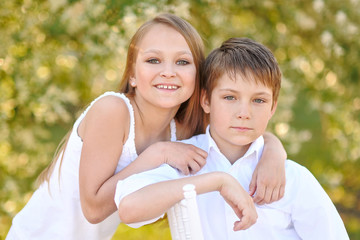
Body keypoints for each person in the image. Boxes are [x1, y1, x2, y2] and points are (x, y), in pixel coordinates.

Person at [6, 14, 287, 240]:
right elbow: (93, 209)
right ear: (132, 74)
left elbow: (240, 127)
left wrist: (274, 153)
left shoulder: (183, 129)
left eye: (182, 62)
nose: (168, 71)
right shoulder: (113, 110)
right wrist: (157, 154)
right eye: (153, 60)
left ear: (197, 77)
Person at [115, 37, 349, 239]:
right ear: (206, 100)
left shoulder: (291, 178)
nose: (244, 113)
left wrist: (274, 149)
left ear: (273, 108)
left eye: (258, 100)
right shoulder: (182, 160)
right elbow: (129, 209)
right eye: (229, 97)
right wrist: (216, 181)